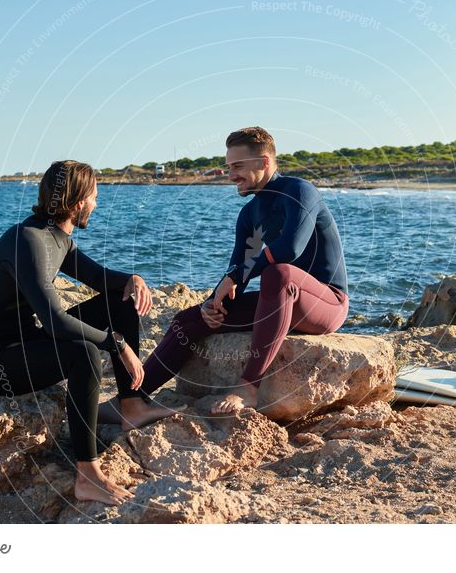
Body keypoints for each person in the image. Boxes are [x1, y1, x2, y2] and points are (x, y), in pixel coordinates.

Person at [99, 126, 349, 418]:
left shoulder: (299, 191)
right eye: (229, 166)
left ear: (265, 161)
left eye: (239, 166)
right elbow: (236, 269)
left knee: (279, 273)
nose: (232, 174)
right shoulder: (249, 214)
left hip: (326, 303)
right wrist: (212, 305)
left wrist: (237, 276)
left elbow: (290, 248)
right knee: (187, 320)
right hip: (281, 302)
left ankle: (249, 387)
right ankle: (130, 400)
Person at [0, 160, 178, 506]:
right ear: (79, 202)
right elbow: (56, 322)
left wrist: (133, 279)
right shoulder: (28, 240)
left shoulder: (56, 237)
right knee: (84, 352)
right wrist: (118, 344)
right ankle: (88, 475)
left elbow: (96, 276)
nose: (97, 205)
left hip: (30, 340)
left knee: (121, 302)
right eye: (95, 197)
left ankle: (131, 405)